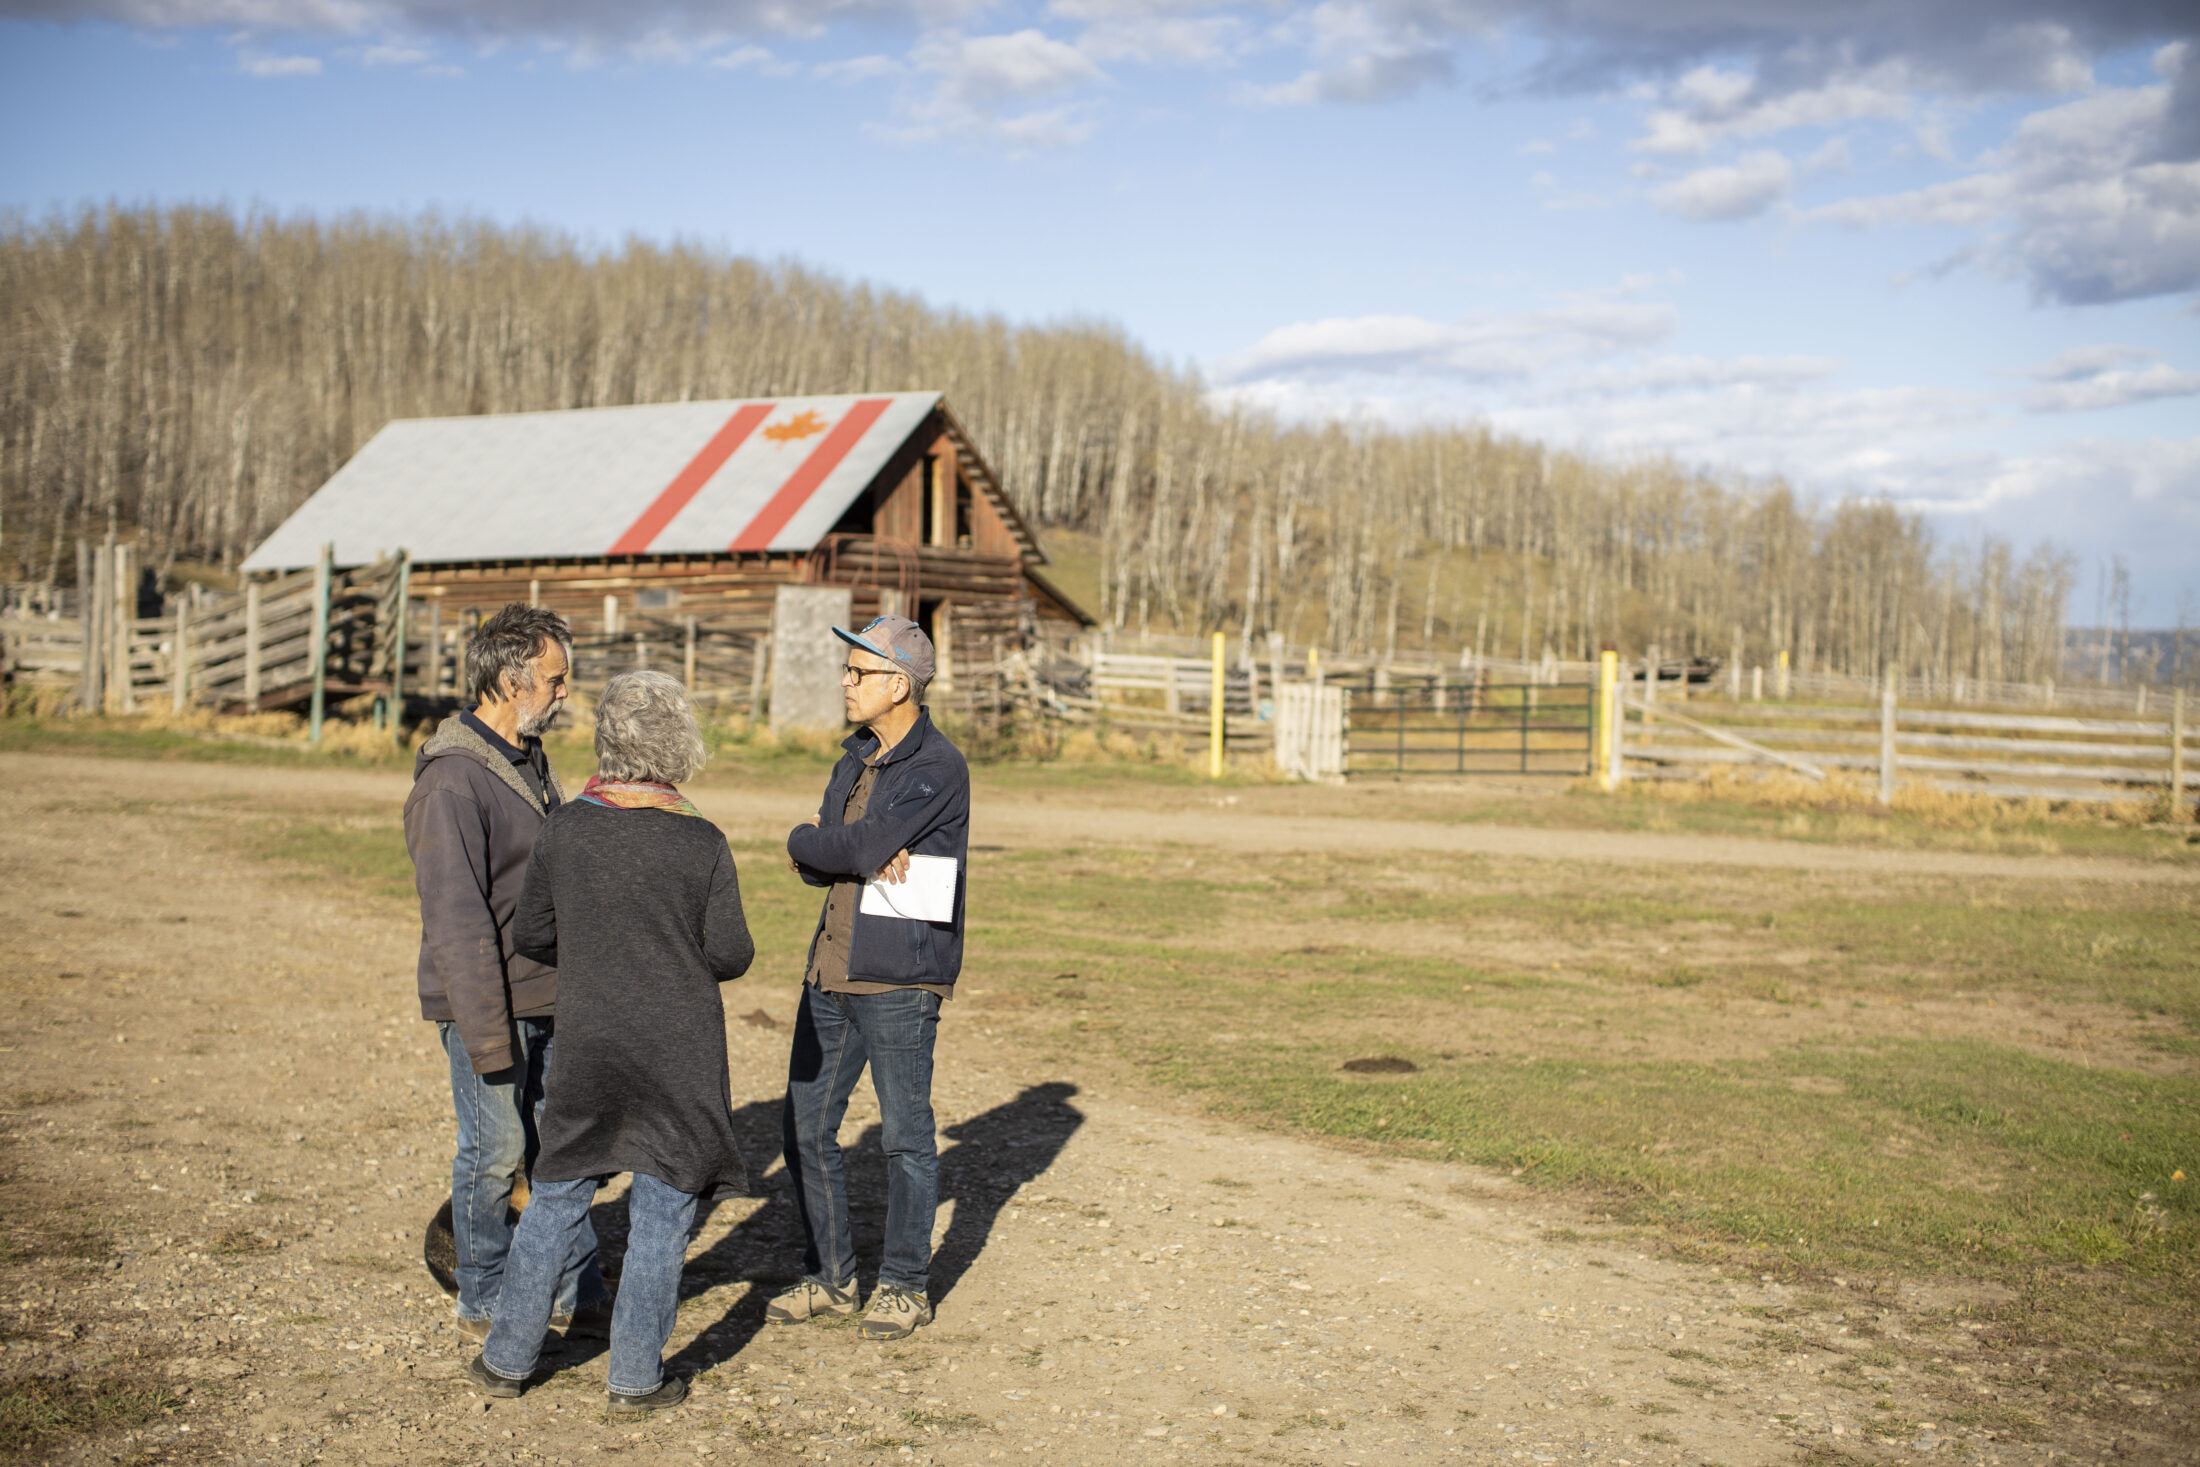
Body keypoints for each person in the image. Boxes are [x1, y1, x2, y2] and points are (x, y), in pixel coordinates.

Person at [469, 670, 755, 1412]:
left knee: (559, 1191)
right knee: (664, 1206)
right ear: (678, 742)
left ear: (606, 740)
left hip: (589, 1038)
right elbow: (731, 954)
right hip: (679, 1049)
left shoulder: (567, 828)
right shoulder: (702, 840)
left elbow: (533, 933)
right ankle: (634, 1378)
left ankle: (505, 1359)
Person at [404, 604, 608, 1343]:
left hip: (546, 996)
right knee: (493, 1153)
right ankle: (481, 1295)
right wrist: (489, 1039)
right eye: (554, 680)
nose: (563, 694)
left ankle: (572, 1286)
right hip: (488, 1003)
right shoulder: (454, 783)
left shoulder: (526, 759)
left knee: (558, 1148)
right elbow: (457, 923)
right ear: (510, 678)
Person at [769, 615, 970, 1342]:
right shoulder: (853, 757)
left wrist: (823, 845)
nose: (845, 683)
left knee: (905, 1136)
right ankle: (831, 1277)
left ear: (899, 683)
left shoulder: (937, 767)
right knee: (804, 1128)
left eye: (858, 672)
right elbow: (830, 849)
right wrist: (822, 846)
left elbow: (850, 843)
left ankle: (905, 1285)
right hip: (830, 966)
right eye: (847, 670)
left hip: (898, 976)